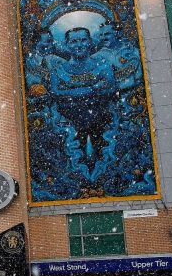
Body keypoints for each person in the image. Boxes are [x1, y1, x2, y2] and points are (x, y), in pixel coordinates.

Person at [48, 27, 119, 171]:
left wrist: (71, 91)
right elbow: (56, 92)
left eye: (83, 40)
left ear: (90, 42)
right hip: (69, 127)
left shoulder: (103, 66)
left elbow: (110, 88)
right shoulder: (58, 70)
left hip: (102, 124)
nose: (79, 45)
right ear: (66, 44)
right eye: (74, 41)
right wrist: (93, 88)